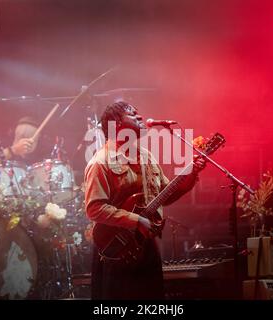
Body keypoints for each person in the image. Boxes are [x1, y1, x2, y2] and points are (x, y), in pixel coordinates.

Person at [84, 101, 206, 299]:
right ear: (116, 123)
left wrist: (191, 175)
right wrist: (137, 220)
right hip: (115, 251)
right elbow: (94, 209)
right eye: (132, 114)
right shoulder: (101, 162)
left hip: (146, 246)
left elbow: (165, 195)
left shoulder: (146, 157)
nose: (140, 117)